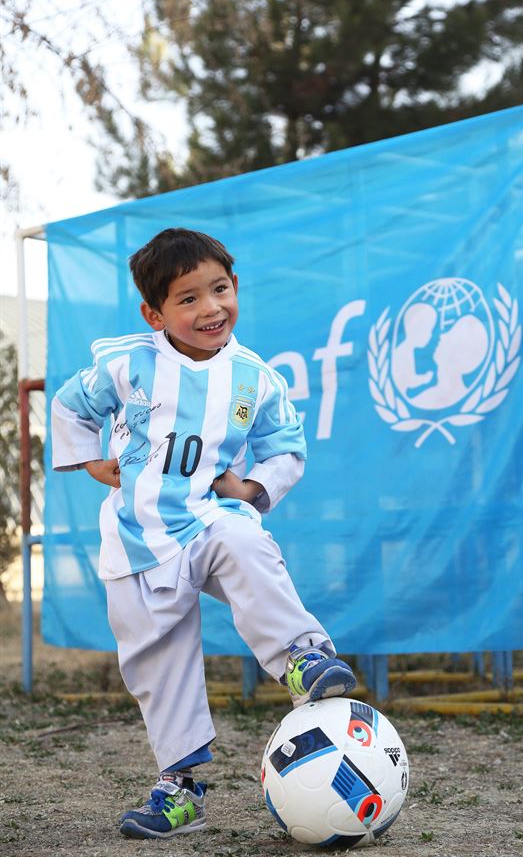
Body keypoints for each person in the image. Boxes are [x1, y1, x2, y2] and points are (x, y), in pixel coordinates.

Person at [51, 227, 357, 840]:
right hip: (136, 541)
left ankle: (301, 656)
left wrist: (252, 489)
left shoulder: (254, 378)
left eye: (219, 290)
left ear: (235, 286)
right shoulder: (127, 365)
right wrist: (90, 461)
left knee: (245, 542)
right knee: (156, 667)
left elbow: (287, 446)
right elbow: (68, 406)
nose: (209, 308)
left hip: (207, 521)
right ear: (154, 313)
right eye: (187, 299)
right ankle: (180, 789)